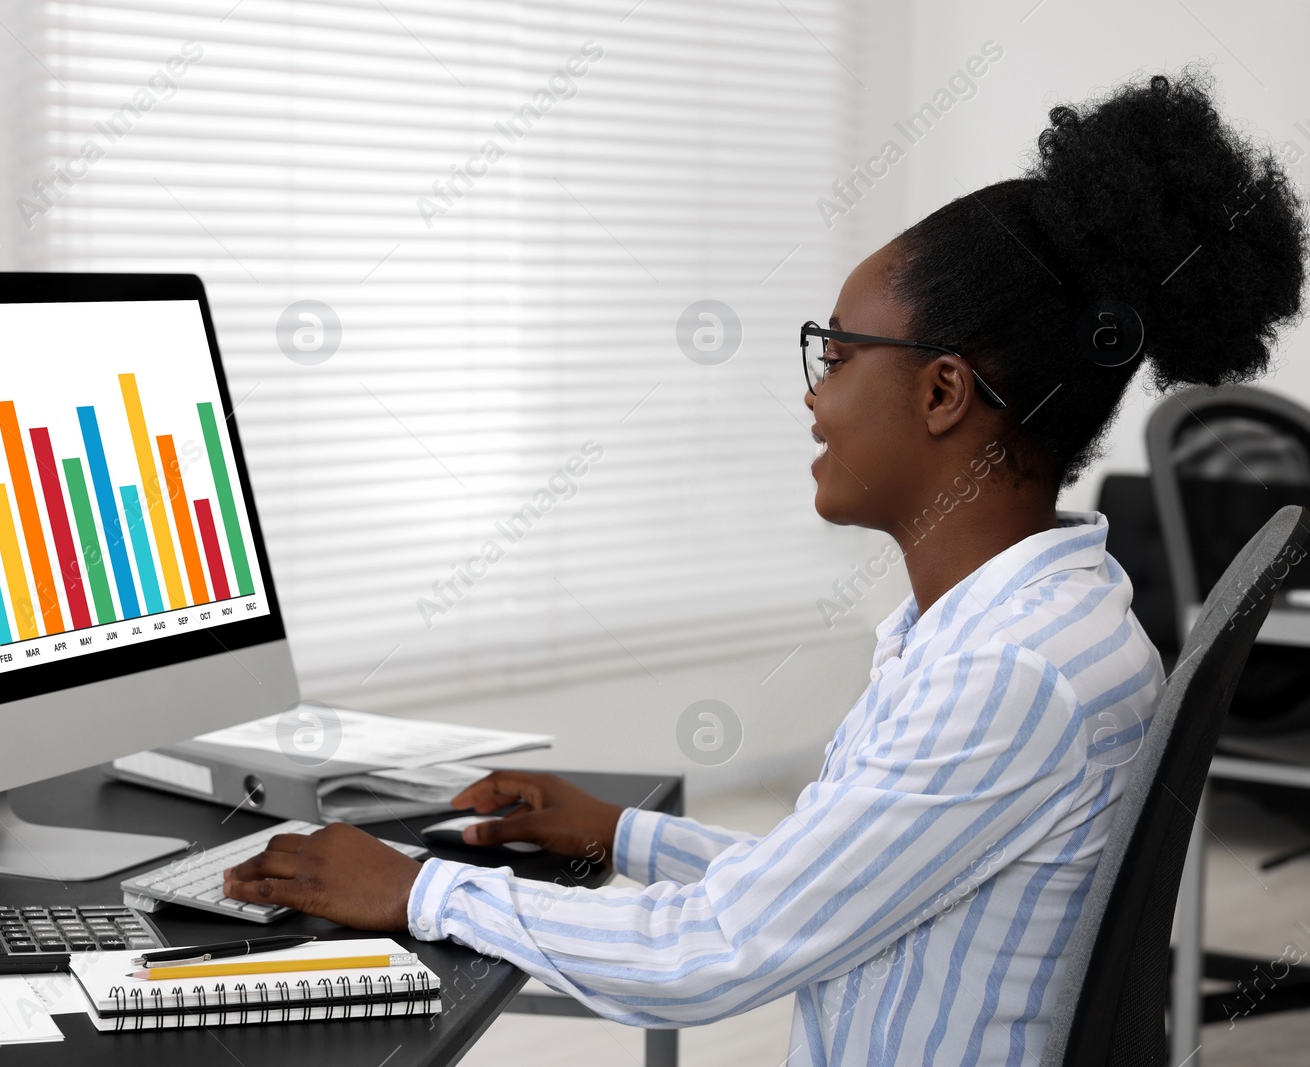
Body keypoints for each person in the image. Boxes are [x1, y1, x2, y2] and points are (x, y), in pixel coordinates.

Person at [223, 68, 1308, 1063]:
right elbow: (828, 881)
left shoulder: (1009, 673)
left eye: (834, 355)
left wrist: (417, 888)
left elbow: (715, 953)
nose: (812, 394)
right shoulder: (1040, 620)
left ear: (939, 394)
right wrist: (620, 830)